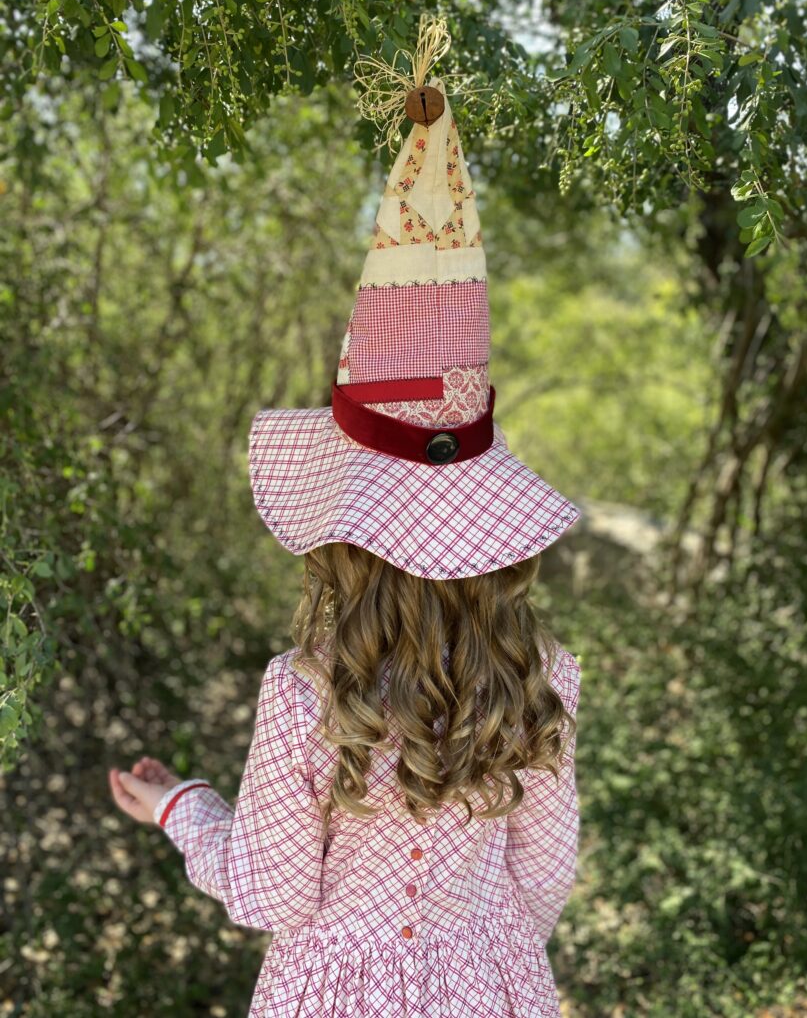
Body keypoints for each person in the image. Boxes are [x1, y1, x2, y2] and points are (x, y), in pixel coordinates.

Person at [109, 74, 583, 1017]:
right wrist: (475, 955)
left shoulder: (307, 691)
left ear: (346, 536)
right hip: (495, 988)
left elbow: (274, 892)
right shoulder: (543, 676)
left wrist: (184, 812)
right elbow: (542, 885)